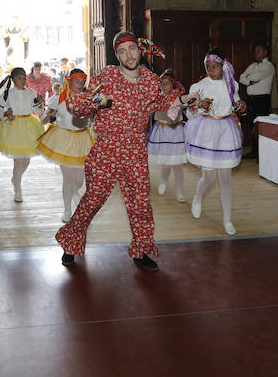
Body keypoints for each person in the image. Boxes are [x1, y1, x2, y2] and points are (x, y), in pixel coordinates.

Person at [55, 32, 181, 270]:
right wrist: (96, 103)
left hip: (135, 149)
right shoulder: (106, 77)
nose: (128, 55)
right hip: (107, 148)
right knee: (92, 201)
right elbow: (80, 107)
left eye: (132, 49)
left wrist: (183, 102)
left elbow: (163, 106)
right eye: (122, 51)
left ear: (140, 50)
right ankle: (70, 243)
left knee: (141, 203)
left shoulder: (152, 81)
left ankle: (140, 250)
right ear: (117, 55)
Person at [183, 49, 246, 234]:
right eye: (208, 67)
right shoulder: (199, 86)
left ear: (223, 66)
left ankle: (227, 219)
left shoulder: (231, 84)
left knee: (225, 178)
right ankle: (198, 197)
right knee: (209, 178)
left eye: (215, 67)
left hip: (226, 131)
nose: (211, 70)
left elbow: (236, 104)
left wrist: (240, 106)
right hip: (207, 132)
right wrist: (201, 107)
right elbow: (189, 113)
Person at [37, 69, 94, 222]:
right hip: (64, 140)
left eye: (83, 82)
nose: (80, 85)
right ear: (69, 82)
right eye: (77, 81)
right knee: (68, 179)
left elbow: (93, 119)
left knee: (79, 181)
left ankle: (76, 196)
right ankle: (67, 209)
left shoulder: (88, 99)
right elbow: (43, 120)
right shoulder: (58, 99)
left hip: (82, 139)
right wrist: (50, 115)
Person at [0, 67, 45, 202]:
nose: (23, 81)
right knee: (18, 160)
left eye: (24, 78)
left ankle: (16, 178)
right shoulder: (8, 93)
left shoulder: (31, 92)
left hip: (28, 126)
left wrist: (39, 102)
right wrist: (5, 113)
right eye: (20, 78)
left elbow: (38, 110)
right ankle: (18, 190)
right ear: (13, 79)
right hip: (13, 126)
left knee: (26, 160)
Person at [147, 69, 188, 203]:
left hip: (176, 132)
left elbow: (185, 105)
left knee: (177, 165)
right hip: (162, 132)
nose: (165, 86)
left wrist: (182, 104)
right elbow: (149, 111)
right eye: (162, 83)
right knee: (165, 163)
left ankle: (180, 191)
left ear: (173, 84)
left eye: (167, 83)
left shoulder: (178, 97)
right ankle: (163, 181)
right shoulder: (156, 98)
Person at [238, 43, 275, 160]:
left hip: (261, 99)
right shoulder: (253, 65)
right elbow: (241, 78)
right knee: (252, 124)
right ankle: (254, 151)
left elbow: (256, 78)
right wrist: (250, 80)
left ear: (265, 53)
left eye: (259, 51)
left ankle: (261, 153)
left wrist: (249, 78)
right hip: (251, 99)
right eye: (255, 51)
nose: (256, 53)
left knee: (260, 125)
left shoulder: (269, 66)